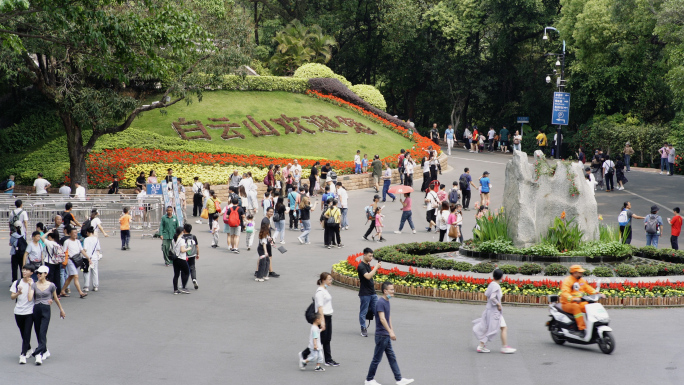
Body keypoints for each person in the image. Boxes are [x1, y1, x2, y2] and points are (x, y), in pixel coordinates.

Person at [364, 281, 414, 385]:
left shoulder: (387, 301)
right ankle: (369, 380)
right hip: (381, 335)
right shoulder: (381, 302)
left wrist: (392, 330)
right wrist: (390, 332)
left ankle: (399, 379)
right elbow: (382, 319)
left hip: (385, 335)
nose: (393, 291)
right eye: (391, 290)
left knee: (391, 357)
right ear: (385, 291)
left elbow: (388, 317)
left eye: (393, 289)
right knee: (377, 359)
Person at [28, 265, 66, 365]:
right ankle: (44, 350)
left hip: (46, 309)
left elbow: (56, 298)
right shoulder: (34, 285)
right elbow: (30, 298)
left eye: (41, 273)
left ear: (46, 274)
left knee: (42, 331)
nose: (38, 275)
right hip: (36, 309)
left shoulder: (51, 285)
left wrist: (61, 310)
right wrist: (28, 287)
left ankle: (38, 354)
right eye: (38, 273)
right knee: (37, 331)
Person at [472, 269, 517, 353]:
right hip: (495, 311)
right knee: (503, 328)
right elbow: (492, 297)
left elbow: (486, 294)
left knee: (489, 328)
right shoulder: (496, 286)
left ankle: (481, 346)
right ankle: (504, 347)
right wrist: (498, 304)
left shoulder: (491, 284)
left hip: (489, 310)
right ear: (501, 277)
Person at [560, 265, 604, 337]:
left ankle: (595, 327)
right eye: (580, 272)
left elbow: (588, 288)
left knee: (589, 307)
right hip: (567, 303)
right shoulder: (567, 280)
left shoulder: (581, 280)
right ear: (575, 273)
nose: (581, 273)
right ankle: (581, 329)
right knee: (576, 307)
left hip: (579, 302)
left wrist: (598, 293)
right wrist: (572, 298)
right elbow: (564, 293)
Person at [11, 265, 35, 364]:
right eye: (23, 270)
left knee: (27, 332)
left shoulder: (34, 284)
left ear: (31, 273)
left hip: (29, 312)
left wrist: (30, 285)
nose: (24, 272)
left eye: (27, 270)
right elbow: (12, 297)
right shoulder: (17, 282)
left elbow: (31, 298)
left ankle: (23, 354)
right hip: (18, 311)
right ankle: (29, 348)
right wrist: (18, 293)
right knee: (22, 332)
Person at [314, 272, 339, 367]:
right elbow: (320, 308)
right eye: (329, 279)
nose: (331, 281)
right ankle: (305, 355)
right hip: (322, 317)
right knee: (321, 340)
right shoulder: (320, 292)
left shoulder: (325, 289)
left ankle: (328, 359)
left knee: (326, 339)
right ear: (323, 280)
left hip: (328, 316)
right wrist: (323, 321)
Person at [60, 227, 90, 298]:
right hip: (70, 260)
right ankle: (80, 292)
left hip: (76, 261)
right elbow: (64, 252)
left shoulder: (77, 241)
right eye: (73, 233)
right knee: (76, 276)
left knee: (71, 276)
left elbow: (82, 250)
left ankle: (63, 290)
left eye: (76, 233)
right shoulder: (67, 242)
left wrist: (88, 258)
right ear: (70, 233)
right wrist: (64, 262)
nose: (75, 234)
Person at [358, 248, 380, 337]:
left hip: (372, 292)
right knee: (363, 312)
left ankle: (380, 328)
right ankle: (363, 328)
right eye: (370, 256)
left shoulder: (368, 265)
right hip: (365, 293)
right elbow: (367, 276)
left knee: (377, 311)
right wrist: (376, 267)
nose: (371, 257)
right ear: (364, 255)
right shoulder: (361, 266)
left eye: (372, 256)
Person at [260, 207, 280, 278]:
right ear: (267, 211)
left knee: (262, 256)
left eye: (272, 212)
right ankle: (270, 271)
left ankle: (257, 271)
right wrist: (269, 238)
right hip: (265, 240)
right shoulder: (266, 220)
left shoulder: (267, 219)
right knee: (269, 257)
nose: (271, 213)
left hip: (265, 239)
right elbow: (265, 231)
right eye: (270, 212)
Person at [170, 226, 191, 294]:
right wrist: (188, 249)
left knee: (176, 274)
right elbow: (182, 250)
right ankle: (183, 287)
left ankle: (175, 290)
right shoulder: (182, 240)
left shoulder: (173, 240)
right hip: (181, 258)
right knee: (187, 272)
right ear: (181, 232)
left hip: (175, 258)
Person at [82, 227, 101, 292]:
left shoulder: (86, 239)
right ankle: (95, 286)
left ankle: (86, 286)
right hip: (94, 258)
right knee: (95, 271)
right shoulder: (96, 239)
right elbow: (98, 249)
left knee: (86, 272)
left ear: (87, 232)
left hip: (87, 257)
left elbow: (85, 249)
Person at [181, 223, 200, 290]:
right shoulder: (193, 236)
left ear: (184, 230)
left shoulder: (182, 237)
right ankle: (194, 279)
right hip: (192, 254)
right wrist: (197, 254)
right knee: (192, 268)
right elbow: (197, 246)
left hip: (184, 255)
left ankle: (184, 284)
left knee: (184, 270)